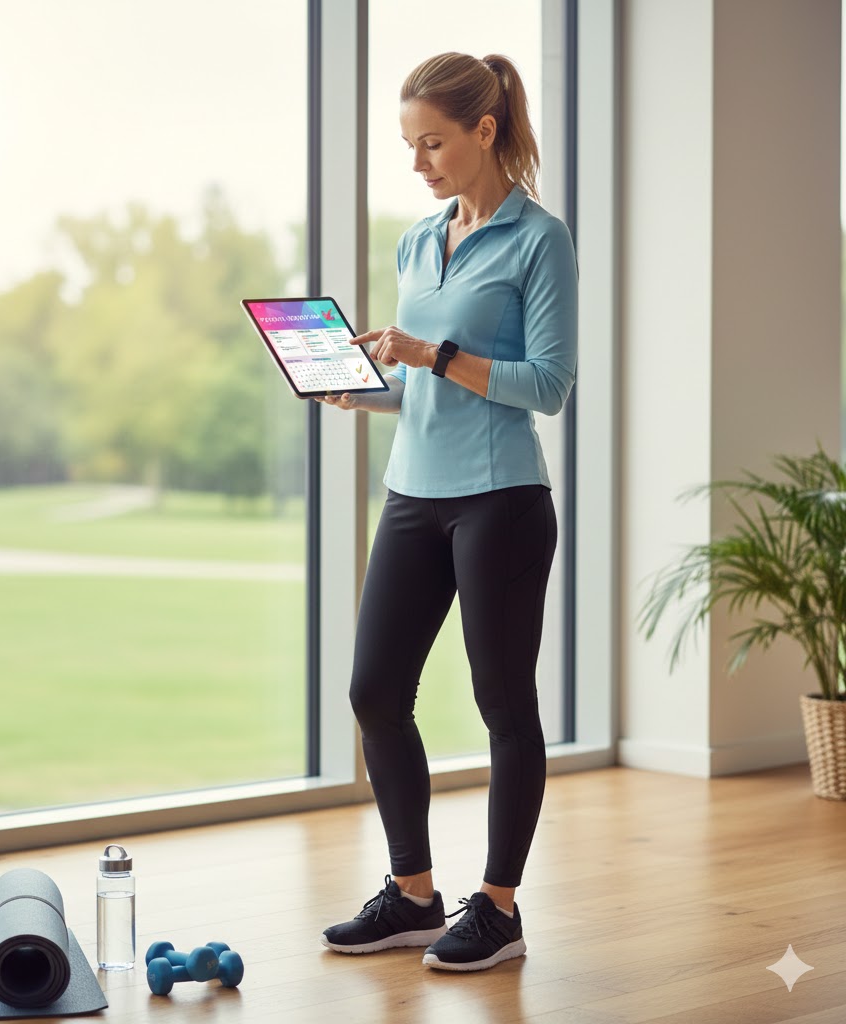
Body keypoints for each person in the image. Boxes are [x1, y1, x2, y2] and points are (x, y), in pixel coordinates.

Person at [317, 51, 578, 973]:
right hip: (413, 494)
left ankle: (498, 909)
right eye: (409, 145)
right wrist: (367, 390)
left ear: (484, 130)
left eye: (432, 142)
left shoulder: (539, 240)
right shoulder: (418, 239)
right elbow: (425, 380)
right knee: (375, 692)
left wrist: (430, 355)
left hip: (500, 499)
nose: (420, 162)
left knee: (504, 703)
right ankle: (413, 896)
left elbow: (547, 385)